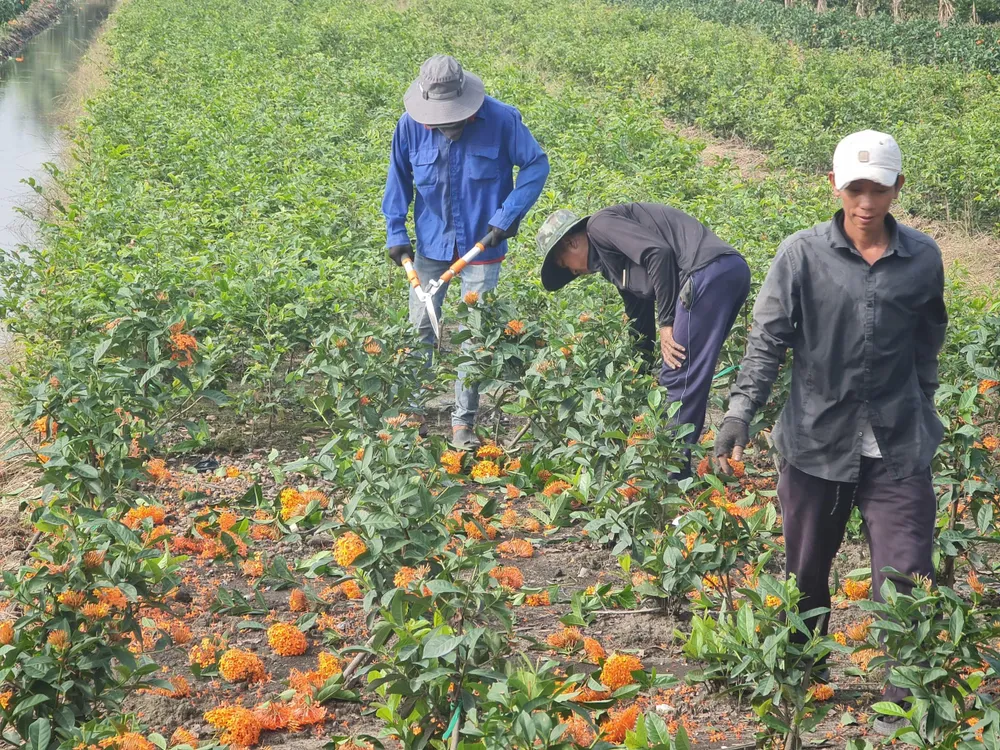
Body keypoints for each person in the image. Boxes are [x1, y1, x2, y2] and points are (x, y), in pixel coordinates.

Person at [714, 130, 947, 733]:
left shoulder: (923, 259)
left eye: (879, 188)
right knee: (805, 572)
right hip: (816, 441)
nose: (866, 201)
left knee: (905, 573)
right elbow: (767, 341)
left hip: (898, 444)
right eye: (855, 188)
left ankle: (904, 703)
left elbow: (928, 340)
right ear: (835, 186)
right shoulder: (801, 255)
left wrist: (925, 404)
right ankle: (800, 682)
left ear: (899, 188)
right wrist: (740, 412)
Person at [382, 54, 549, 449]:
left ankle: (463, 423)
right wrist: (395, 231)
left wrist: (507, 216)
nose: (445, 128)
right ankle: (412, 416)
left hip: (481, 250)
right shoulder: (409, 126)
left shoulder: (503, 120)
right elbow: (397, 179)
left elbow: (536, 165)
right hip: (430, 246)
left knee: (474, 336)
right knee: (421, 327)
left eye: (453, 120)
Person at [536, 203, 751, 454]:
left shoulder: (599, 225)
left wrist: (667, 324)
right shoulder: (613, 264)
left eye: (565, 264)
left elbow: (658, 253)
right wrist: (639, 373)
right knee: (688, 373)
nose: (573, 272)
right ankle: (684, 464)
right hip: (729, 272)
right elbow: (639, 316)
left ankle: (671, 474)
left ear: (572, 243)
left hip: (706, 273)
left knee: (677, 372)